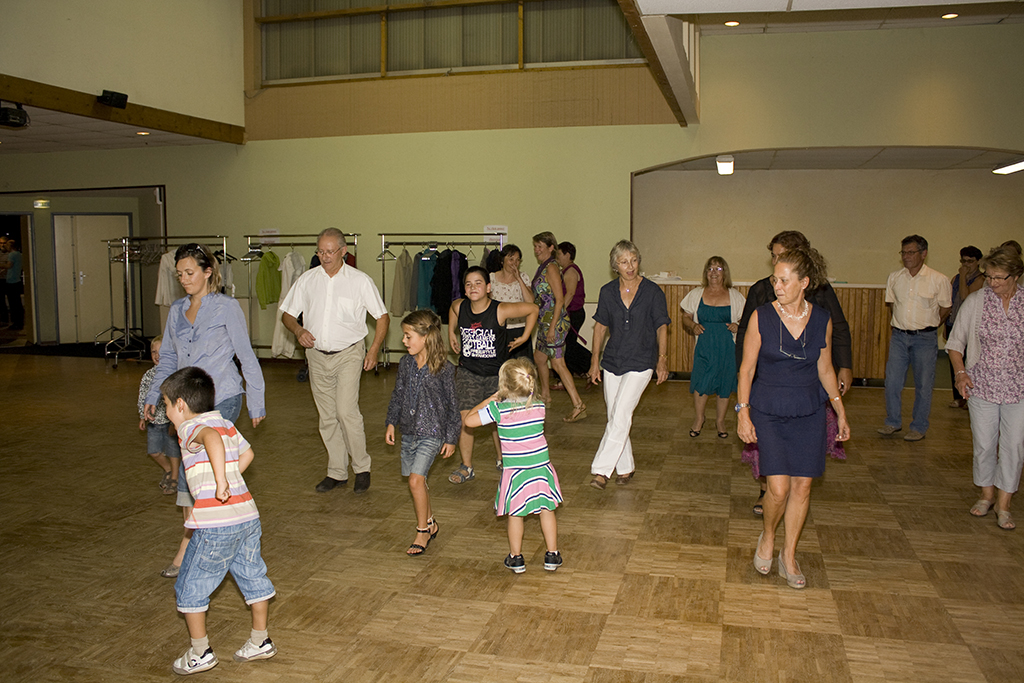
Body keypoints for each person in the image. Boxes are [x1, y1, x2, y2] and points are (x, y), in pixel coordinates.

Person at [144, 243, 266, 578]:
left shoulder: (227, 307)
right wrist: (155, 394)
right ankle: (213, 534)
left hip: (222, 396)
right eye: (179, 274)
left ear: (207, 272)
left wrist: (256, 400)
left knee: (205, 468)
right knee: (194, 472)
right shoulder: (176, 311)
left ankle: (193, 545)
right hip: (186, 402)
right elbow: (168, 358)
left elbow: (245, 355)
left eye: (190, 272)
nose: (184, 279)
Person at [737, 247, 850, 590]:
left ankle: (788, 555)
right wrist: (743, 412)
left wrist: (840, 411)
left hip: (809, 410)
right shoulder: (761, 317)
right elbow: (746, 370)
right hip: (769, 409)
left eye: (784, 281)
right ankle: (768, 535)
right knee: (778, 488)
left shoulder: (821, 319)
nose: (777, 286)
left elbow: (825, 369)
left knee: (802, 486)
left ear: (804, 283)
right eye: (775, 280)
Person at [161, 366, 276, 675]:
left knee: (190, 585)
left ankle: (200, 652)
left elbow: (209, 438)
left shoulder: (191, 427)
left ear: (181, 404)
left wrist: (220, 481)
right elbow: (248, 454)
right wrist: (227, 477)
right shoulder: (224, 423)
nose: (166, 412)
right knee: (252, 576)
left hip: (216, 523)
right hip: (247, 516)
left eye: (166, 404)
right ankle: (260, 640)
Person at [280, 228, 389, 494]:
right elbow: (287, 315)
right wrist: (298, 331)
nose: (325, 256)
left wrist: (374, 350)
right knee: (327, 417)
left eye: (330, 251)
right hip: (316, 356)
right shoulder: (307, 280)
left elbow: (382, 317)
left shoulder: (360, 281)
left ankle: (361, 468)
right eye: (320, 251)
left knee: (345, 411)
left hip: (349, 354)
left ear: (343, 251)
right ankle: (337, 472)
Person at [947, 246, 1024, 531]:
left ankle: (1004, 505)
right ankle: (986, 495)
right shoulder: (976, 302)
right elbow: (955, 343)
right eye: (989, 276)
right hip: (982, 385)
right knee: (984, 444)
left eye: (998, 277)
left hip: (1019, 388)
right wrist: (960, 374)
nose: (992, 283)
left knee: (1014, 446)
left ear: (1015, 276)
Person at [464, 358, 563, 574]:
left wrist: (488, 401)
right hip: (541, 469)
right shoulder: (539, 406)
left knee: (516, 514)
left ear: (504, 385)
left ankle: (516, 558)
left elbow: (469, 421)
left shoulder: (499, 409)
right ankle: (552, 555)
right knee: (547, 510)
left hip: (516, 472)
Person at [588, 240, 670, 489]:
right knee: (615, 415)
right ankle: (625, 467)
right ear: (615, 265)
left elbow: (662, 326)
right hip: (613, 359)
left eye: (633, 260)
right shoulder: (607, 292)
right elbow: (600, 327)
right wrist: (594, 361)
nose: (630, 266)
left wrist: (662, 359)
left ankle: (601, 471)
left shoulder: (652, 291)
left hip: (642, 360)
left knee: (621, 413)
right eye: (624, 262)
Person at [447, 266, 538, 484]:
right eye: (468, 284)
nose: (473, 287)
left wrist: (525, 336)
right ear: (465, 290)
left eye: (478, 283)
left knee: (499, 419)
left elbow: (533, 309)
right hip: (468, 372)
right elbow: (452, 308)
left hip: (496, 375)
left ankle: (502, 459)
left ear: (488, 288)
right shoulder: (460, 306)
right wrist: (451, 332)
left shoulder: (500, 310)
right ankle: (466, 467)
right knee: (465, 419)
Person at [385, 310, 460, 554]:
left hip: (433, 432)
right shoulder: (405, 364)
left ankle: (422, 531)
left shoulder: (444, 368)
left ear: (426, 336)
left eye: (408, 336)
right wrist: (391, 422)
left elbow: (453, 406)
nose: (404, 341)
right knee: (417, 482)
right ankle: (431, 522)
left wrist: (451, 438)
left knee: (416, 480)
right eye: (404, 336)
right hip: (409, 431)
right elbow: (398, 394)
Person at [878, 235, 952, 441]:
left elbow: (946, 307)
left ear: (923, 253)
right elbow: (892, 305)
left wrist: (931, 325)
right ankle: (892, 422)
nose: (906, 257)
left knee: (923, 384)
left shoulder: (939, 279)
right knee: (892, 381)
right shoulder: (895, 278)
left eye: (911, 252)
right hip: (899, 336)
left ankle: (918, 427)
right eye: (903, 253)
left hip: (925, 339)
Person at [680, 256, 745, 438]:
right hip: (704, 345)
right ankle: (699, 418)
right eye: (710, 269)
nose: (713, 273)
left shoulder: (735, 296)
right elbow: (685, 316)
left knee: (724, 382)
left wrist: (738, 326)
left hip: (726, 346)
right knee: (701, 381)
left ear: (725, 273)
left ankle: (720, 421)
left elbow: (746, 319)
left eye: (718, 269)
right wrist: (693, 325)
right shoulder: (696, 294)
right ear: (705, 273)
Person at [531, 232, 587, 422]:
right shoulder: (543, 267)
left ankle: (578, 404)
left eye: (540, 246)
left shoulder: (552, 268)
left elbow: (560, 299)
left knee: (558, 364)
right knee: (539, 357)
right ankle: (546, 396)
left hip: (554, 322)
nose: (537, 250)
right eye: (535, 246)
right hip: (544, 321)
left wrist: (553, 326)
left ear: (551, 248)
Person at [137, 335, 181, 494]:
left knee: (173, 451)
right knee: (153, 451)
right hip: (154, 421)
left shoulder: (175, 375)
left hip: (170, 422)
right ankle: (169, 470)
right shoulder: (148, 375)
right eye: (153, 352)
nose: (157, 355)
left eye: (161, 352)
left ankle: (175, 478)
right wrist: (142, 415)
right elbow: (143, 395)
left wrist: (176, 422)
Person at [944, 245, 984, 408]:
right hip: (953, 322)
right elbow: (950, 301)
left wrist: (962, 276)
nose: (966, 264)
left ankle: (969, 395)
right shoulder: (955, 278)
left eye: (970, 261)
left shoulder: (981, 279)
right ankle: (958, 396)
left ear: (978, 262)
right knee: (954, 360)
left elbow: (965, 296)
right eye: (963, 261)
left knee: (968, 360)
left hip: (970, 327)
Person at [488, 244, 535, 361]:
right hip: (500, 329)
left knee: (522, 364)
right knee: (501, 363)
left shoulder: (524, 277)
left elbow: (530, 302)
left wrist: (519, 279)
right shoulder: (492, 277)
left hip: (520, 328)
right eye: (511, 259)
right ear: (502, 260)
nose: (514, 263)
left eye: (517, 260)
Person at [555, 241, 592, 377]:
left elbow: (569, 294)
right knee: (567, 345)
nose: (557, 257)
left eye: (559, 254)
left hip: (572, 313)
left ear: (567, 255)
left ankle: (590, 364)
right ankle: (567, 376)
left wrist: (559, 313)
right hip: (571, 313)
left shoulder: (570, 271)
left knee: (568, 346)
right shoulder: (566, 271)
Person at [2, 237, 24, 330]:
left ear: (11, 246)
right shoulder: (19, 254)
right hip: (17, 280)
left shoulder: (12, 255)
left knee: (13, 303)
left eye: (7, 245)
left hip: (11, 281)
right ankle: (20, 322)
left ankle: (16, 322)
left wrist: (2, 265)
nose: (5, 246)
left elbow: (9, 265)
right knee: (17, 303)